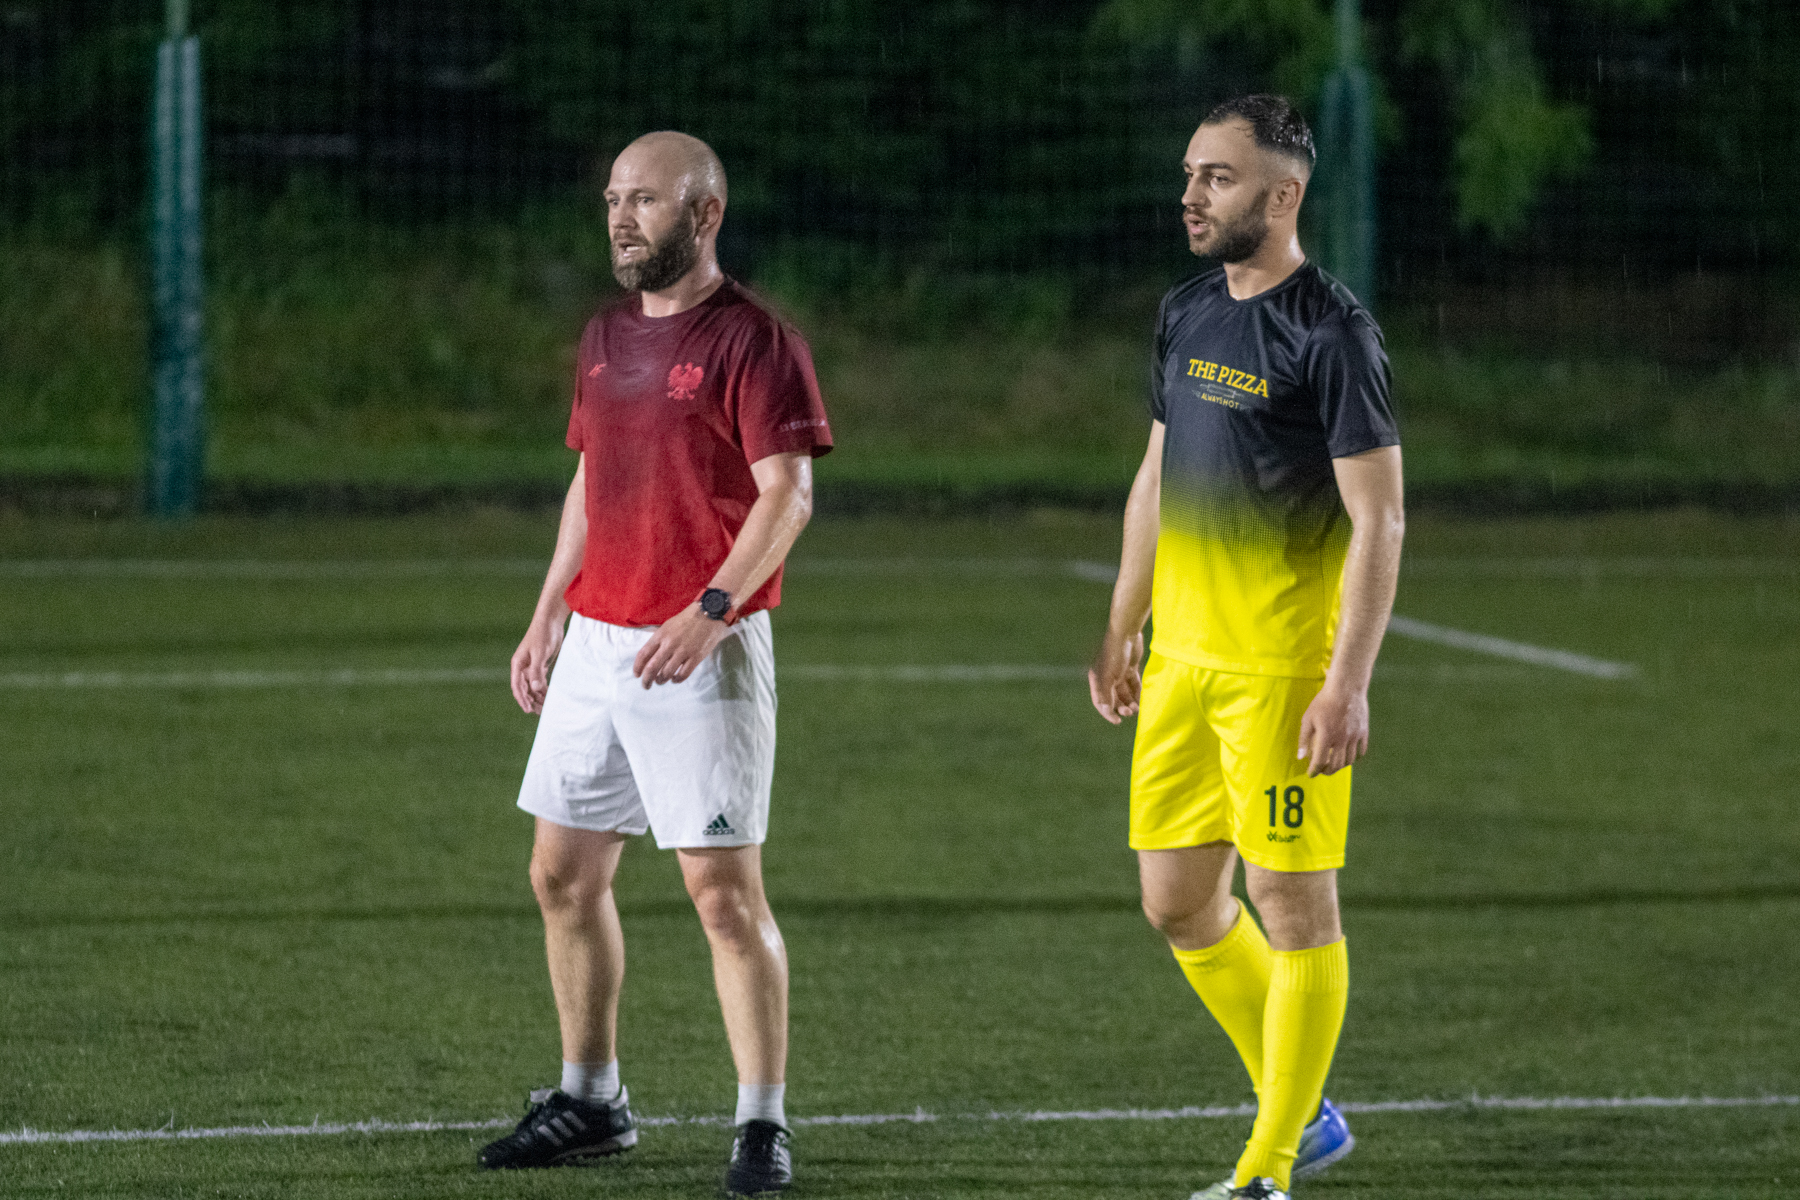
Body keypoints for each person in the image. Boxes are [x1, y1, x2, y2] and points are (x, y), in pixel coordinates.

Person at [477, 130, 831, 1195]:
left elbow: (788, 496)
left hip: (702, 652)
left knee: (722, 896)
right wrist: (549, 613)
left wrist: (712, 610)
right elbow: (591, 483)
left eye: (645, 200)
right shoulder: (604, 335)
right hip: (599, 644)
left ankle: (762, 1122)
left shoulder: (756, 340)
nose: (622, 218)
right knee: (561, 875)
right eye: (613, 200)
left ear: (705, 213)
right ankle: (592, 1100)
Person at [1087, 95, 1404, 1200]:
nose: (1190, 195)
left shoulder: (1333, 331)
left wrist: (1347, 684)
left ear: (1282, 195)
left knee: (1293, 905)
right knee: (1177, 903)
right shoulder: (1185, 311)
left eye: (1216, 178)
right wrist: (1125, 623)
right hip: (1183, 664)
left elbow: (1380, 519)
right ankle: (1304, 1108)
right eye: (1190, 173)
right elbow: (1154, 475)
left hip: (1281, 672)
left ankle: (1268, 1170)